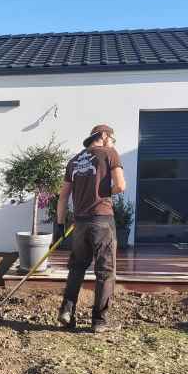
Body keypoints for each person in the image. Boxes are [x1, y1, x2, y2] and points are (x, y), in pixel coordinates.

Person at [55, 124, 126, 333]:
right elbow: (121, 186)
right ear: (103, 135)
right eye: (112, 139)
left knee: (76, 268)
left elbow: (63, 196)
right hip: (102, 221)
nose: (113, 143)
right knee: (105, 271)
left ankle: (66, 311)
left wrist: (60, 224)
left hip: (80, 223)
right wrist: (104, 192)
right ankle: (99, 321)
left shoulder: (74, 161)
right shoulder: (110, 153)